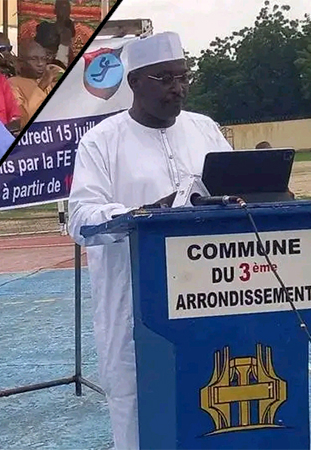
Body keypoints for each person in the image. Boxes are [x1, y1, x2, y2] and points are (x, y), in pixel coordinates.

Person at [67, 32, 233, 450]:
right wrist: (144, 214)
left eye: (182, 78)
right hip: (134, 306)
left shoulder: (205, 130)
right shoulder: (101, 141)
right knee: (138, 411)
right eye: (164, 78)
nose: (177, 88)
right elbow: (81, 218)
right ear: (135, 82)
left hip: (209, 297)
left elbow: (235, 191)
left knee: (212, 403)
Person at [9, 40, 61, 128]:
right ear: (20, 62)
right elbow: (25, 119)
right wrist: (42, 85)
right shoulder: (12, 84)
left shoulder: (49, 80)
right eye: (34, 59)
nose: (40, 64)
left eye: (43, 59)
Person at [54, 0, 76, 67]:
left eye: (67, 10)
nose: (64, 13)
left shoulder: (70, 26)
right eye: (62, 9)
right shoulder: (49, 27)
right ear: (55, 11)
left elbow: (70, 43)